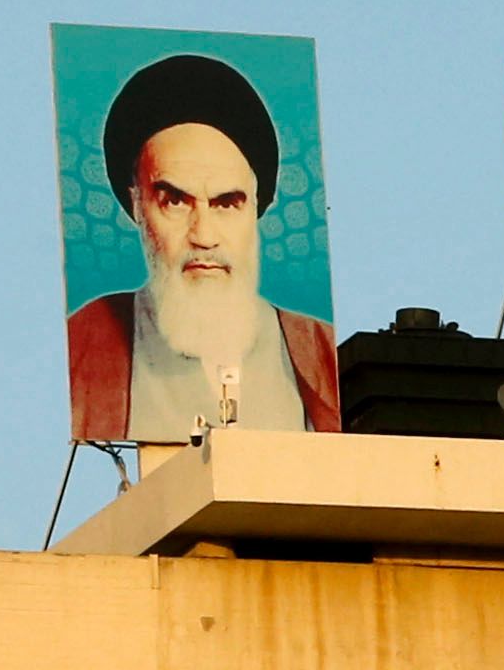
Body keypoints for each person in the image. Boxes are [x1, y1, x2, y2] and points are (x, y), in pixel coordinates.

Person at [65, 51, 343, 445]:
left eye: (227, 203)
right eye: (175, 202)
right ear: (136, 206)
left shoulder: (319, 350)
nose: (204, 235)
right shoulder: (87, 343)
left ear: (256, 206)